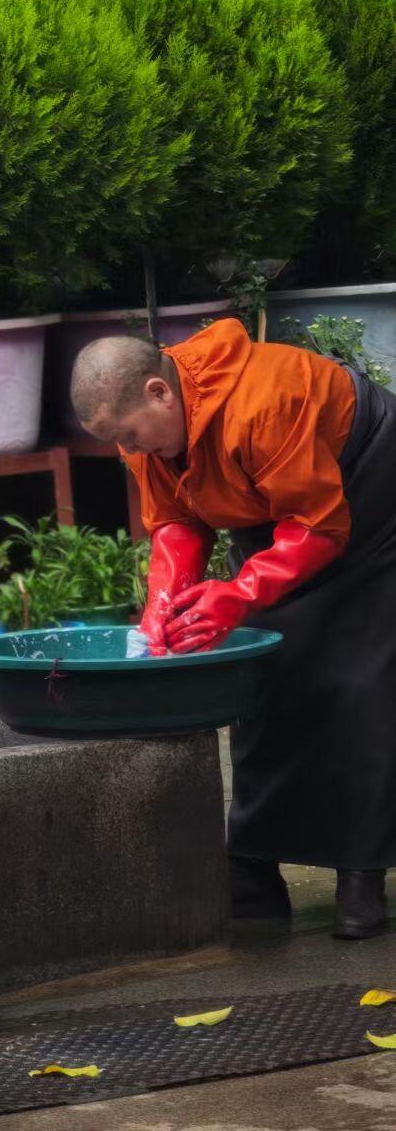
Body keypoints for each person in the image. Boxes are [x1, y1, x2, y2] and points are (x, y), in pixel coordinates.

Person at [72, 317, 396, 941]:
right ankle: (252, 869)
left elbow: (319, 526)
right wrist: (165, 605)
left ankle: (362, 874)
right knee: (263, 671)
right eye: (121, 444)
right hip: (279, 510)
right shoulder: (144, 428)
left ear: (158, 393)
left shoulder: (264, 402)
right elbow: (176, 522)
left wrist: (240, 591)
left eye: (133, 436)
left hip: (370, 493)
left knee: (358, 677)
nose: (132, 452)